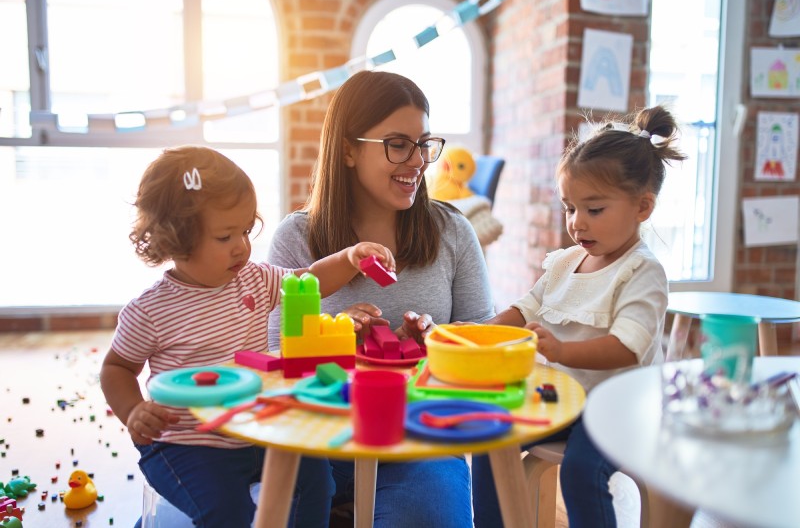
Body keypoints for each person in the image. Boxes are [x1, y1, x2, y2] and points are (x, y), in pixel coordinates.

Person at [99, 145, 395, 528]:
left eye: (245, 230)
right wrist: (133, 411)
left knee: (316, 478)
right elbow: (116, 367)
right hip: (184, 444)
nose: (241, 245)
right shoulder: (150, 311)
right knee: (228, 512)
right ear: (176, 239)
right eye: (224, 237)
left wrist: (349, 257)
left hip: (254, 428)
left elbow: (309, 282)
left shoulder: (254, 279)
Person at [266, 70, 495, 527]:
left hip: (417, 439)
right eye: (397, 144)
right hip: (319, 437)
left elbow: (480, 336)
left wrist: (438, 339)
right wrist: (331, 338)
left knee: (430, 514)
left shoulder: (453, 231)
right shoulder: (296, 237)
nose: (417, 161)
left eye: (423, 144)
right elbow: (275, 355)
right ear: (348, 149)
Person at [471, 105, 687, 527]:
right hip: (564, 400)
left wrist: (563, 350)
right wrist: (478, 332)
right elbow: (525, 307)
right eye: (570, 208)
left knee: (581, 472)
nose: (576, 222)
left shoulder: (642, 273)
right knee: (488, 441)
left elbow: (627, 347)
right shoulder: (566, 261)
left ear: (643, 207)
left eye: (594, 209)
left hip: (618, 407)